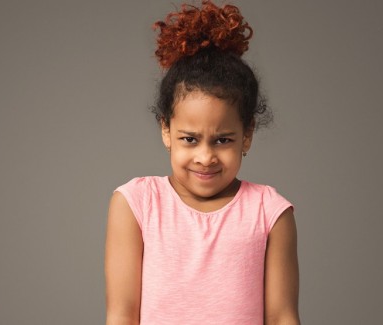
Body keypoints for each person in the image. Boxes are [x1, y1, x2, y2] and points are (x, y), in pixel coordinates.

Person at [104, 1, 300, 324]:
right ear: (166, 129)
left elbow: (283, 317)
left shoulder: (269, 212)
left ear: (247, 134)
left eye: (223, 140)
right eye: (190, 139)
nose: (206, 157)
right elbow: (121, 315)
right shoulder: (136, 204)